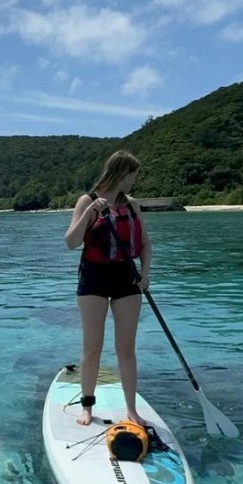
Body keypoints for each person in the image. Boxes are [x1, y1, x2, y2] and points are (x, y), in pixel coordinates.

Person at [64, 150, 151, 426]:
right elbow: (71, 241)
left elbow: (146, 245)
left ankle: (132, 410)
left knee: (126, 348)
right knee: (93, 348)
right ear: (122, 174)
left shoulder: (132, 205)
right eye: (133, 176)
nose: (134, 181)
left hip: (127, 278)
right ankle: (87, 406)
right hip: (94, 278)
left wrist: (146, 273)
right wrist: (90, 212)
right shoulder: (87, 201)